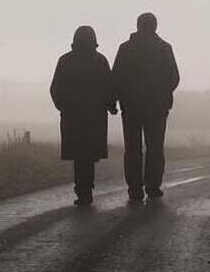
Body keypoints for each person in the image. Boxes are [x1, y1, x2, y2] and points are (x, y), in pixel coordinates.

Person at [111, 12, 180, 201]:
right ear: (155, 27)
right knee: (155, 148)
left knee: (132, 148)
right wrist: (163, 93)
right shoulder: (165, 49)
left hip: (131, 107)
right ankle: (153, 187)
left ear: (138, 26)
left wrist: (115, 100)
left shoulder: (125, 49)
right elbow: (174, 77)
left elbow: (116, 77)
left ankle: (134, 189)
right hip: (157, 107)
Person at [50, 25, 116, 206]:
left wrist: (62, 106)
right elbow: (109, 87)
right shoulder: (100, 61)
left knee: (79, 156)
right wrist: (111, 106)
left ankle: (82, 190)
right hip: (95, 117)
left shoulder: (65, 61)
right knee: (89, 155)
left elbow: (55, 88)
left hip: (73, 117)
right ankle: (86, 188)